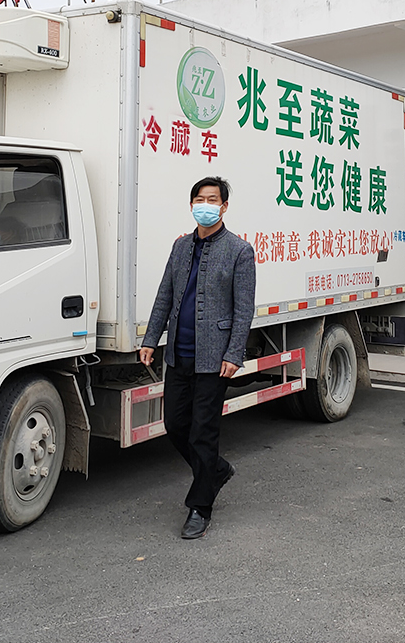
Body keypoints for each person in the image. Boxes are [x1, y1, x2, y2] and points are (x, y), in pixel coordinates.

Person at [140, 176, 256, 539]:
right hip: (179, 353)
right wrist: (150, 339)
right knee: (176, 425)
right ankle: (215, 470)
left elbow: (244, 309)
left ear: (224, 207)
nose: (206, 205)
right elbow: (165, 295)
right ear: (192, 205)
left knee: (203, 432)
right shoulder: (180, 247)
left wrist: (234, 353)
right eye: (200, 199)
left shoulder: (239, 251)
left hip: (214, 358)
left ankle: (200, 507)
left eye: (213, 200)